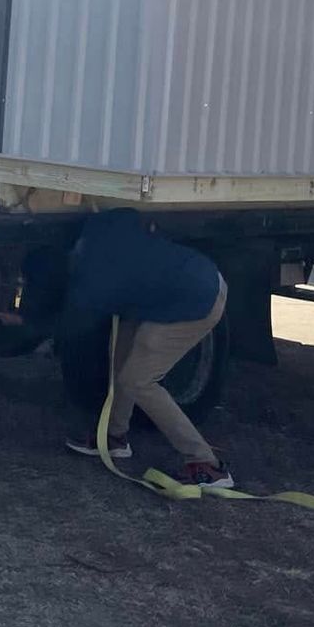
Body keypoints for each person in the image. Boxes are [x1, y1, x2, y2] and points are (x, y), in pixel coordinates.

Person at [55, 209, 233, 489]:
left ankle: (206, 464)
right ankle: (115, 437)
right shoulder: (100, 226)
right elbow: (134, 217)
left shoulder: (90, 285)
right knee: (121, 358)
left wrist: (26, 324)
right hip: (178, 284)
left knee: (138, 381)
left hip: (195, 301)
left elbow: (68, 329)